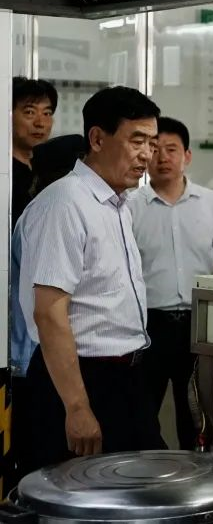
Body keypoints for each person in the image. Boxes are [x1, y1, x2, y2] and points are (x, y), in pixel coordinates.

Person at [18, 86, 164, 473]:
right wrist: (78, 406)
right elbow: (49, 313)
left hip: (126, 376)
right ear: (97, 139)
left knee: (140, 487)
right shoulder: (65, 203)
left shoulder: (119, 204)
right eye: (137, 141)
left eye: (151, 143)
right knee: (78, 492)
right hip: (81, 378)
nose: (147, 155)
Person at [128, 117, 213, 450]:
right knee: (142, 412)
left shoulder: (212, 203)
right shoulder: (129, 205)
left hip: (198, 323)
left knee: (196, 415)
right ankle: (144, 475)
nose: (162, 157)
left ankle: (198, 475)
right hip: (146, 325)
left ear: (187, 155)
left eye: (171, 149)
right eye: (154, 148)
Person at [9, 134, 84, 483]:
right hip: (36, 359)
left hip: (40, 357)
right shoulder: (51, 212)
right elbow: (45, 310)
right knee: (47, 469)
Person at [11, 78, 56, 226]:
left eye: (47, 113)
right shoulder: (7, 172)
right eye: (30, 112)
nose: (40, 123)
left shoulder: (51, 169)